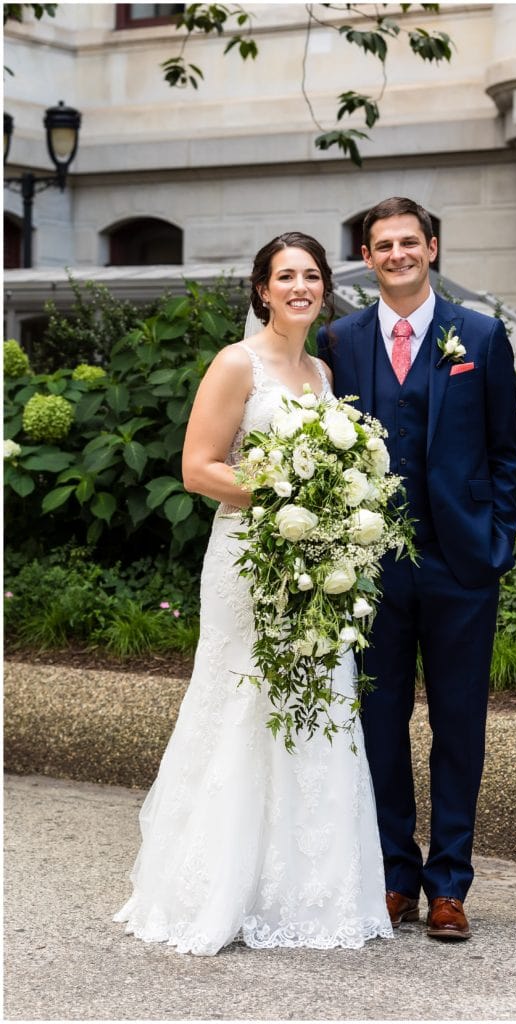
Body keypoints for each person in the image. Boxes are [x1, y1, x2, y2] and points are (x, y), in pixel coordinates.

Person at [114, 232, 393, 954]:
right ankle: (219, 886)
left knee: (315, 703)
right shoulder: (236, 364)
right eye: (284, 276)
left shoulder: (324, 373)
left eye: (310, 275)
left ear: (324, 288)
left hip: (315, 565)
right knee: (244, 702)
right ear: (261, 291)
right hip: (249, 562)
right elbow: (197, 467)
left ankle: (303, 892)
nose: (298, 286)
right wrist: (288, 495)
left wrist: (335, 516)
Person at [318, 197, 516, 940]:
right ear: (367, 258)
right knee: (377, 721)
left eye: (409, 241)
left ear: (431, 248)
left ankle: (450, 885)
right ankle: (393, 875)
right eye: (382, 244)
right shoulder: (338, 340)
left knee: (459, 723)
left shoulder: (480, 336)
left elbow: (505, 450)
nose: (397, 254)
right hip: (370, 568)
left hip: (460, 561)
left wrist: (495, 542)